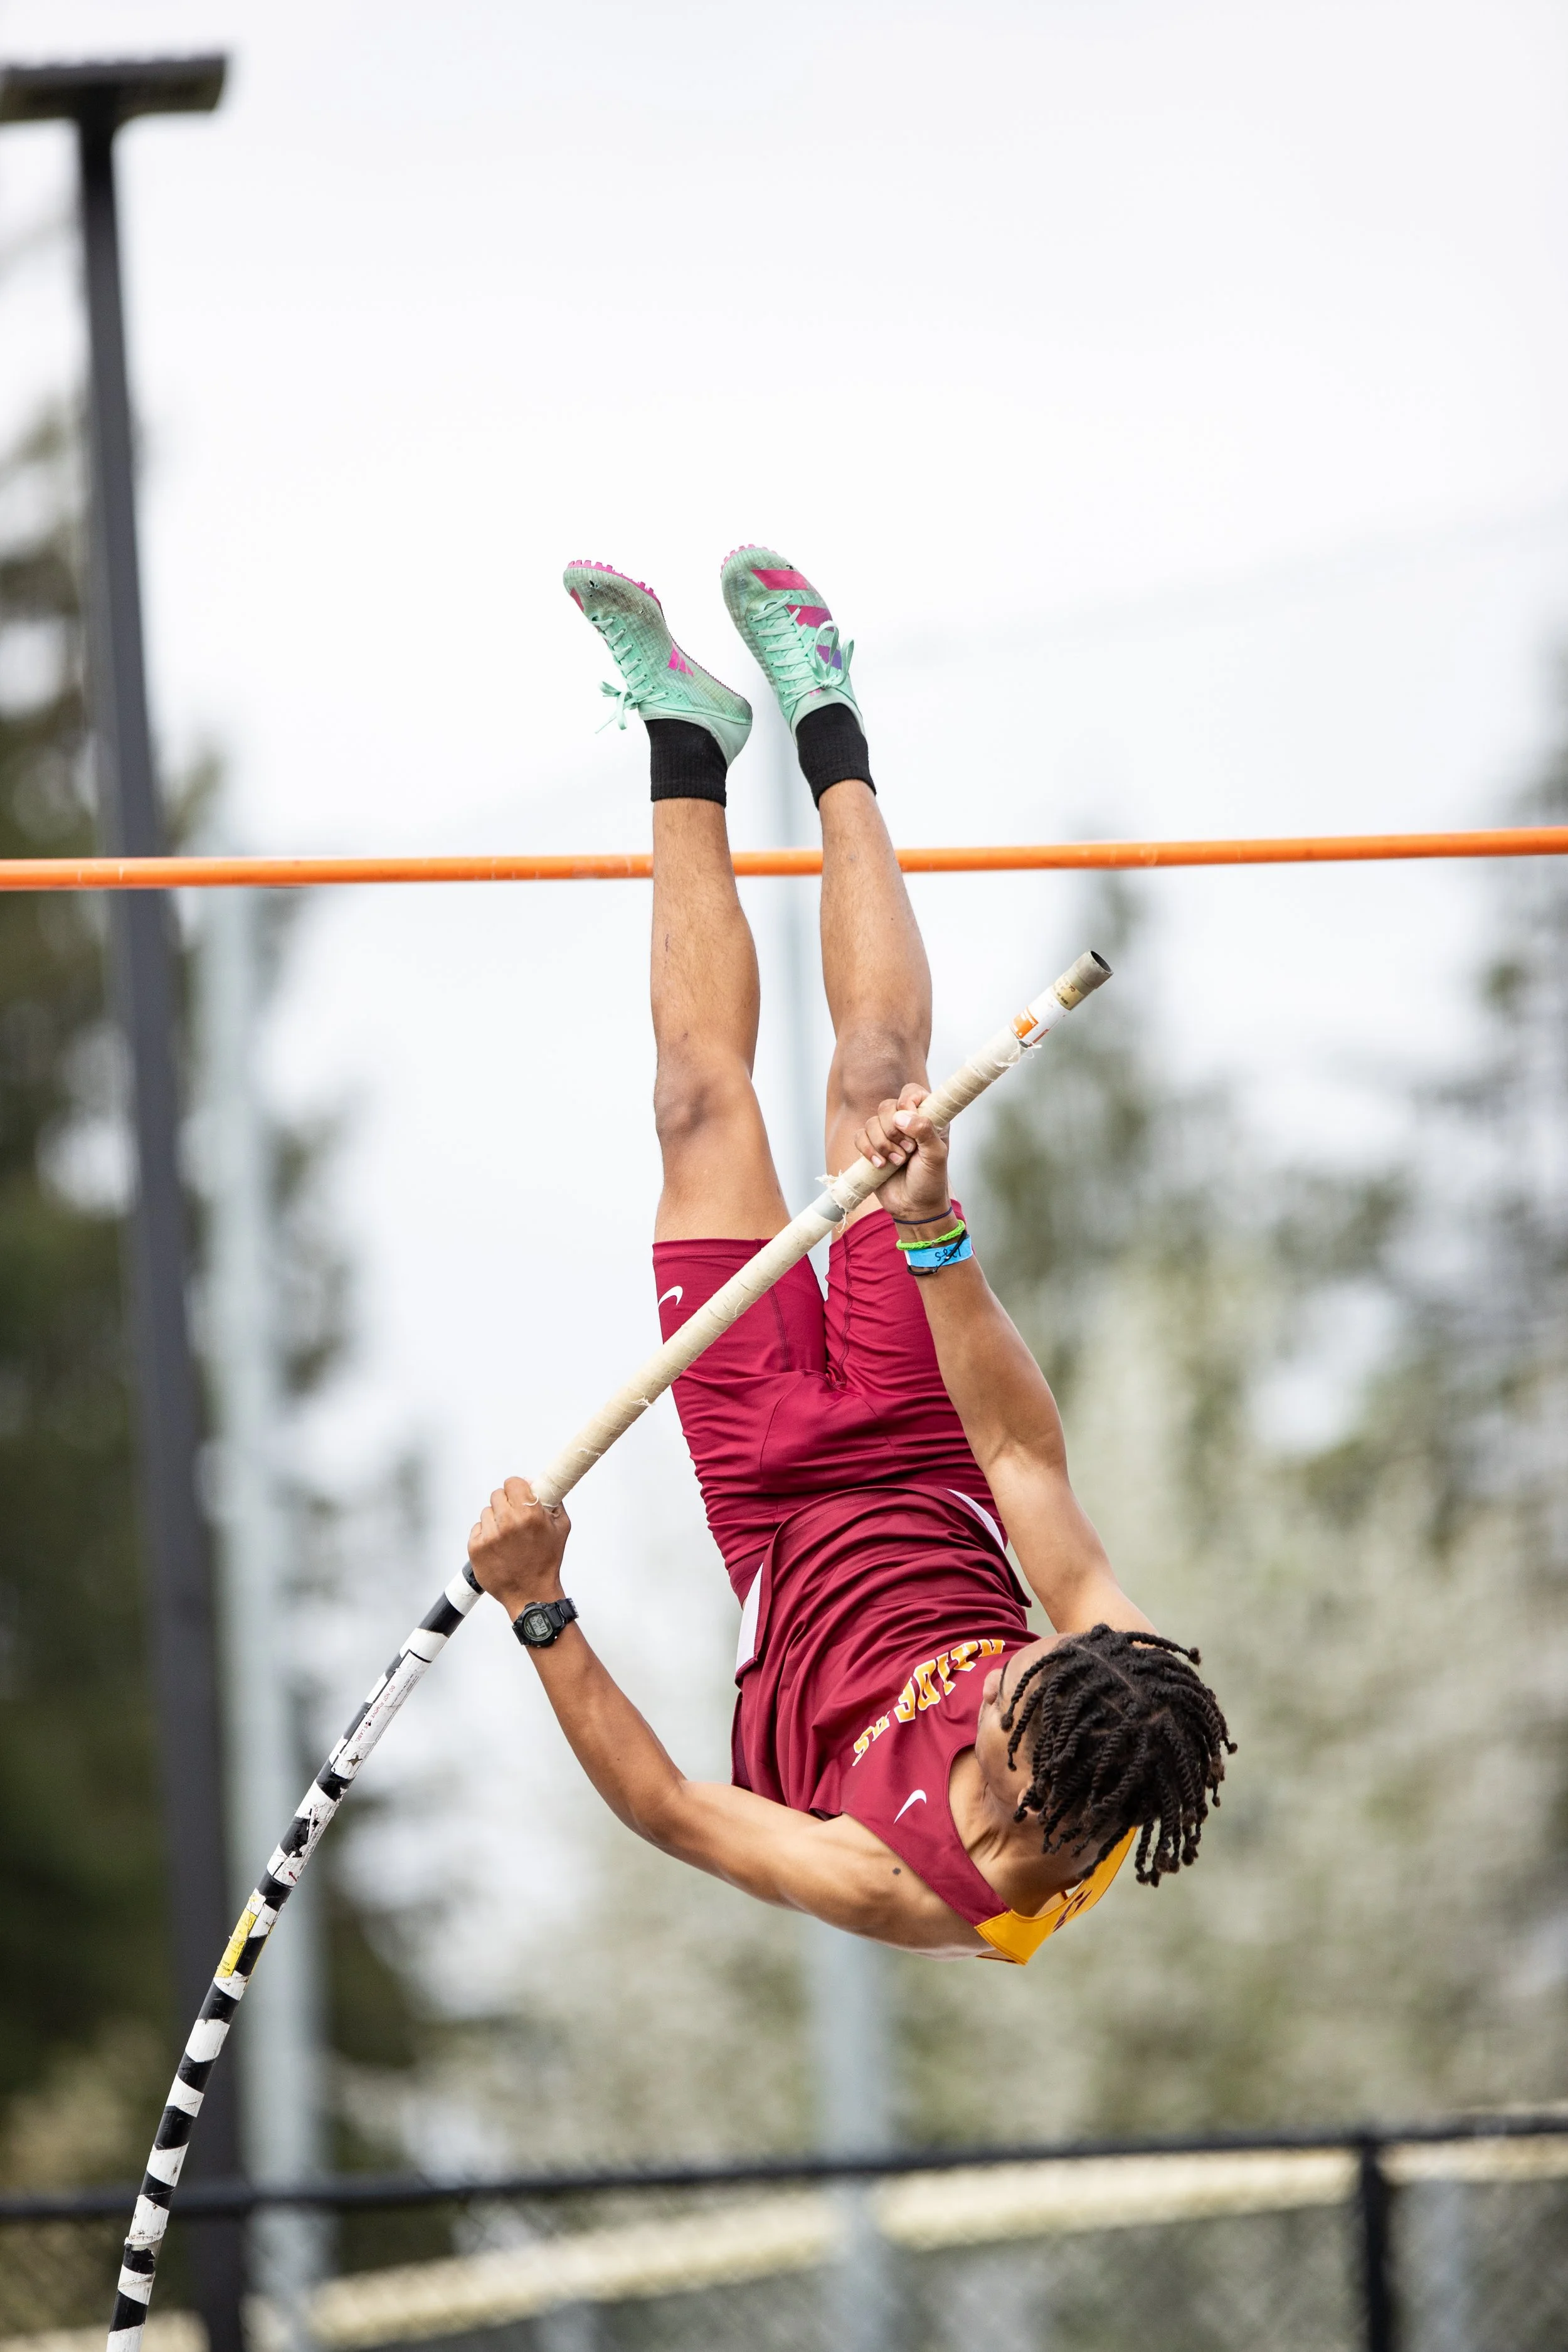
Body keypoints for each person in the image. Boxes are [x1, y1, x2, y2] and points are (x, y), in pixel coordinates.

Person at [469, 548, 1233, 1963]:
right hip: (921, 1441)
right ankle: (824, 709)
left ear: (1027, 1799)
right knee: (881, 1086)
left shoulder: (897, 1880)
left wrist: (537, 1602)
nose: (1001, 1671)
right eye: (1028, 1661)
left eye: (1002, 1702)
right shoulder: (1115, 1685)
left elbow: (671, 1809)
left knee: (691, 1110)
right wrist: (931, 1223)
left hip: (767, 1503)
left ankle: (684, 734)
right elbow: (1019, 1458)